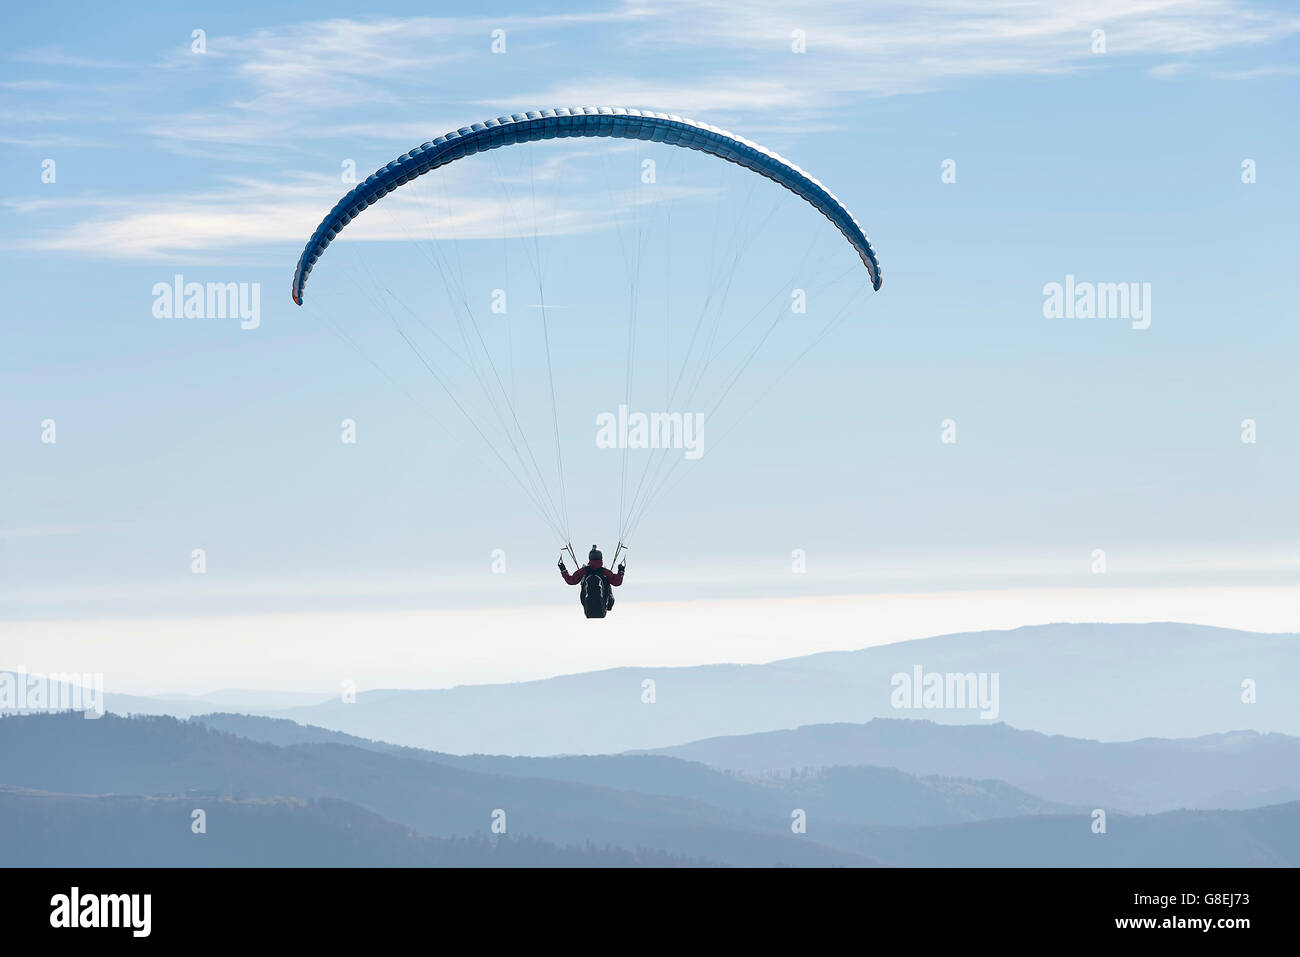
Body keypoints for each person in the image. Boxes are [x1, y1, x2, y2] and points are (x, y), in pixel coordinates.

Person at [559, 545, 625, 618]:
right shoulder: (605, 572)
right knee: (607, 585)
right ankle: (608, 605)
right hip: (602, 609)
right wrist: (621, 571)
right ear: (601, 559)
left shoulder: (584, 571)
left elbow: (571, 581)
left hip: (588, 610)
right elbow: (617, 582)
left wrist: (563, 570)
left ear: (590, 558)